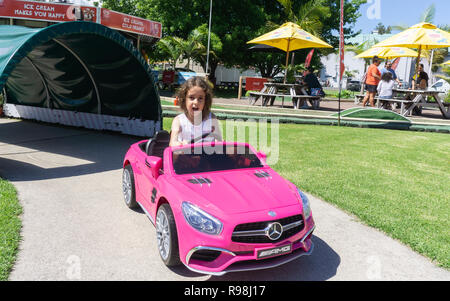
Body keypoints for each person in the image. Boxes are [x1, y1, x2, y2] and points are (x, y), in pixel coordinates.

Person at [169, 76, 222, 146]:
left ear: (205, 101)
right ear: (184, 100)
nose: (196, 102)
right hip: (185, 155)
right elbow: (172, 142)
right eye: (191, 98)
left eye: (200, 98)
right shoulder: (178, 121)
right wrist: (179, 144)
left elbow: (218, 141)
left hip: (207, 155)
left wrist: (219, 143)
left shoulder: (211, 119)